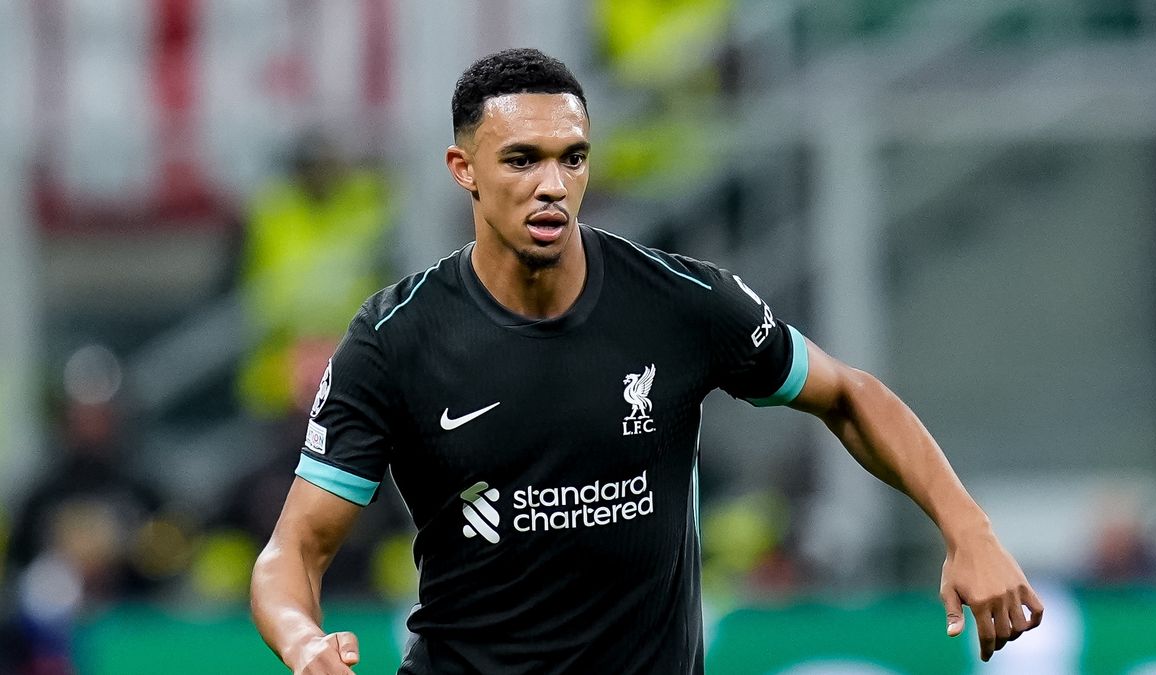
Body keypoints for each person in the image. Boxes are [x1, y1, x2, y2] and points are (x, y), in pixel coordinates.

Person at [250, 48, 1043, 674]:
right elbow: (294, 551)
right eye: (521, 159)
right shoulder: (396, 339)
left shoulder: (679, 302)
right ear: (465, 171)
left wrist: (967, 529)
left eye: (573, 157)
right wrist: (300, 638)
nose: (552, 185)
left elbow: (848, 394)